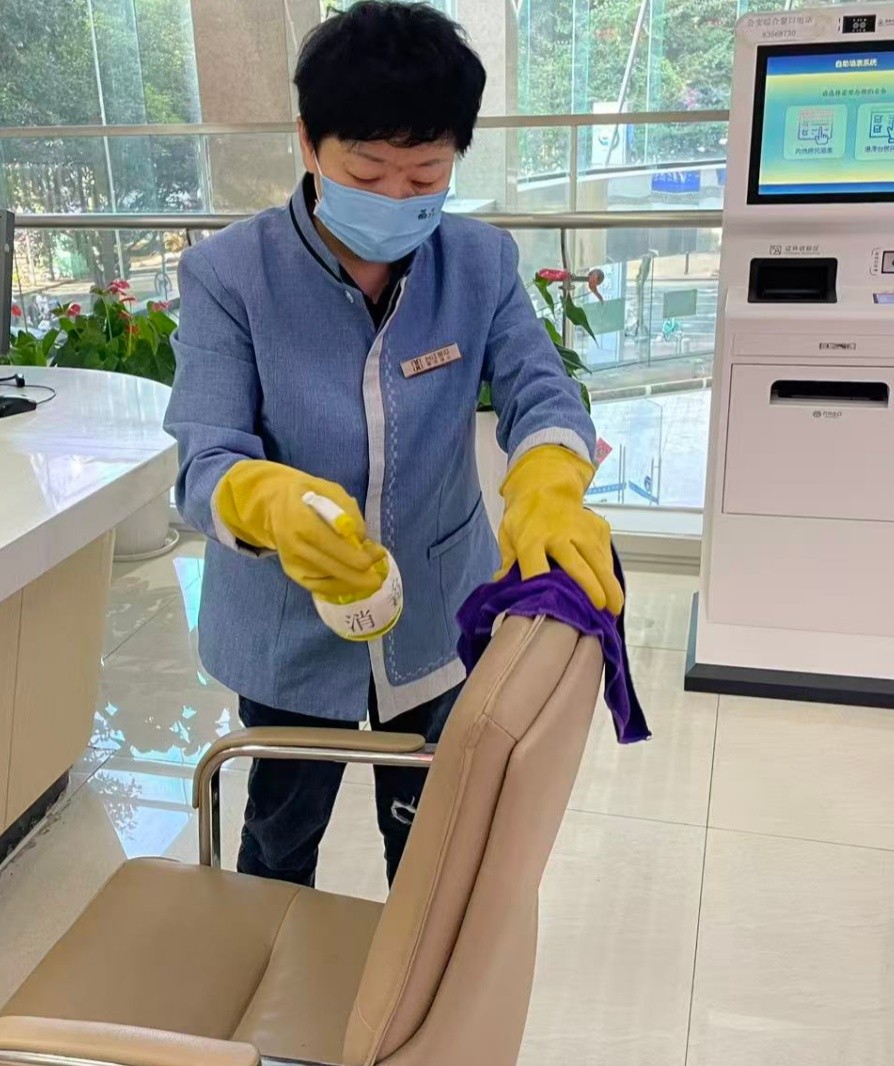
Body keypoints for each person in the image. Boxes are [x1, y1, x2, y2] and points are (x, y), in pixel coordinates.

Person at [164, 2, 619, 889]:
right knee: (279, 838)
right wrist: (267, 503)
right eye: (367, 171)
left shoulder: (478, 264)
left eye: (426, 175)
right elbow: (203, 455)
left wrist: (549, 481)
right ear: (309, 142)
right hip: (290, 623)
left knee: (432, 845)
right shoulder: (230, 276)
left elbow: (539, 387)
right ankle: (268, 958)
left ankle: (404, 976)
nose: (396, 199)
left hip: (436, 612)